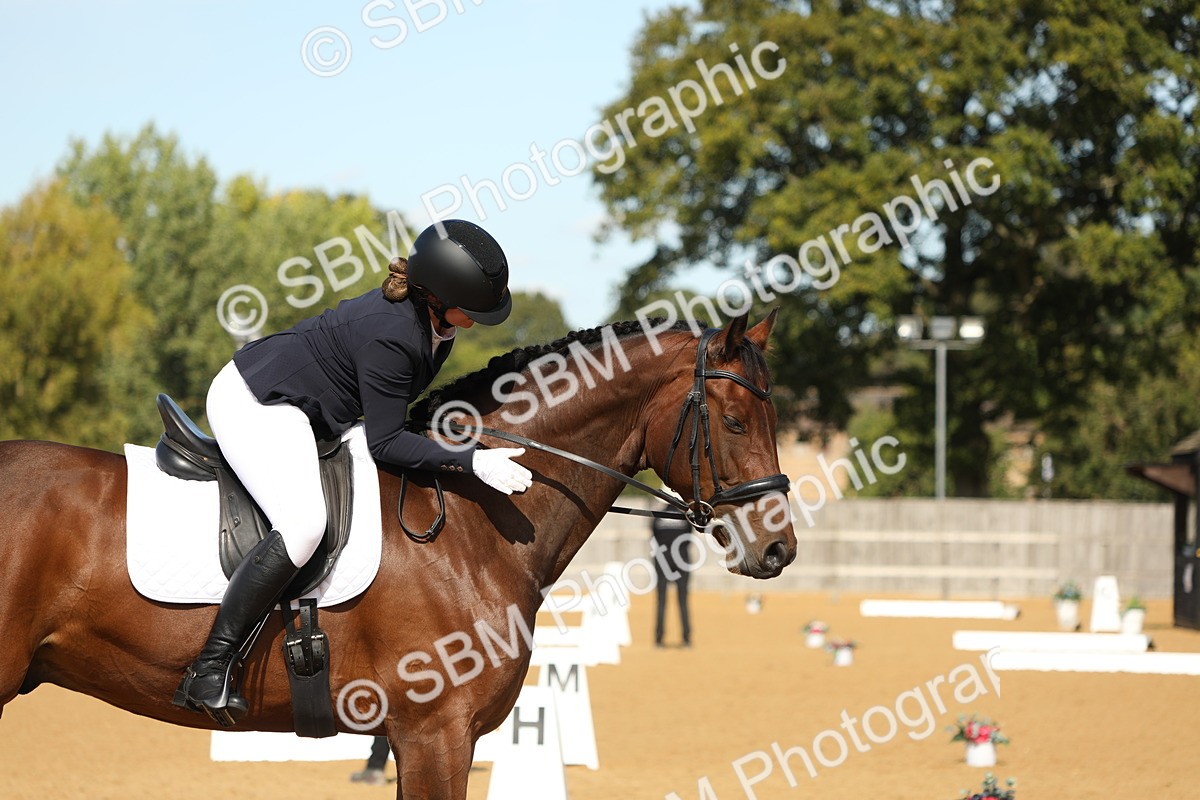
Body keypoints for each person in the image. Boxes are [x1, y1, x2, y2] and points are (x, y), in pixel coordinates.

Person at [174, 220, 534, 723]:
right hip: (257, 400)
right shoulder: (392, 335)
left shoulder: (438, 325)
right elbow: (385, 441)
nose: (472, 321)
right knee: (304, 526)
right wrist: (471, 459)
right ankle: (210, 667)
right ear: (434, 295)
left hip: (312, 409)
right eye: (468, 309)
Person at [651, 503, 693, 647]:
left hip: (662, 560)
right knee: (683, 600)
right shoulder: (684, 516)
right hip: (682, 559)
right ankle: (686, 638)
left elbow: (654, 536)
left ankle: (659, 638)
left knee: (661, 601)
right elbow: (689, 537)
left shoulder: (658, 516)